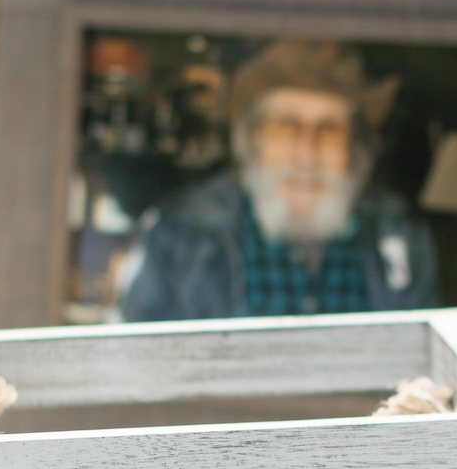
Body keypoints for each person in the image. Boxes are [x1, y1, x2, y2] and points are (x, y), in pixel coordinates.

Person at [124, 39, 439, 321]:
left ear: (353, 148)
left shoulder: (397, 236)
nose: (307, 155)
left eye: (329, 129)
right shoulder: (181, 235)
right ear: (254, 138)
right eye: (288, 125)